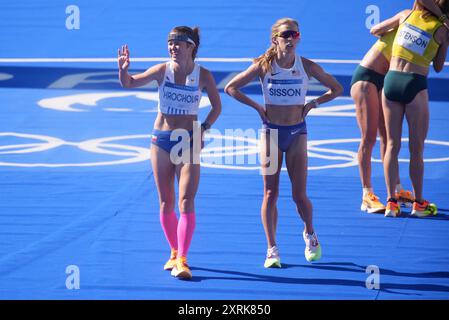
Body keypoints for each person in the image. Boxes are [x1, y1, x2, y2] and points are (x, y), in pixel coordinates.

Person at [225, 18, 342, 267]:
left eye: (295, 35)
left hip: (297, 133)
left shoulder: (306, 66)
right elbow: (231, 88)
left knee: (299, 196)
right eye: (286, 35)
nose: (290, 39)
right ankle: (272, 248)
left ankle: (310, 233)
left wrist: (313, 103)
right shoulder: (263, 66)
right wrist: (258, 107)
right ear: (275, 39)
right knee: (270, 193)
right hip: (271, 133)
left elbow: (337, 88)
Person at [118, 26, 222, 279]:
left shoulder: (204, 75)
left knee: (186, 200)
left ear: (191, 47)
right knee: (166, 201)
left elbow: (217, 108)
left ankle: (183, 260)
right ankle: (174, 252)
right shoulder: (161, 70)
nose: (173, 47)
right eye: (170, 43)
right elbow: (130, 84)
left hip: (187, 142)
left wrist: (203, 130)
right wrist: (123, 70)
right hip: (161, 140)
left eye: (178, 43)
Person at [350, 0, 448, 215]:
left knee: (389, 141)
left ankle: (393, 195)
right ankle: (368, 194)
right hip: (370, 77)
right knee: (372, 138)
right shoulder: (435, 26)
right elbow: (439, 66)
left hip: (389, 80)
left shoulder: (405, 17)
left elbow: (375, 29)